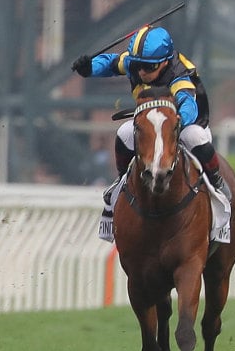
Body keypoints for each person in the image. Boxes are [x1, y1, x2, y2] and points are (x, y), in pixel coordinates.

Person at [73, 23, 222, 222]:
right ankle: (122, 181)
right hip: (152, 124)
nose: (142, 72)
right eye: (137, 65)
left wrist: (175, 123)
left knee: (194, 136)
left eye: (149, 67)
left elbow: (188, 106)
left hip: (186, 124)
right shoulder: (138, 62)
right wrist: (89, 68)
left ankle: (218, 185)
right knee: (125, 133)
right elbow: (110, 63)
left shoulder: (180, 75)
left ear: (165, 63)